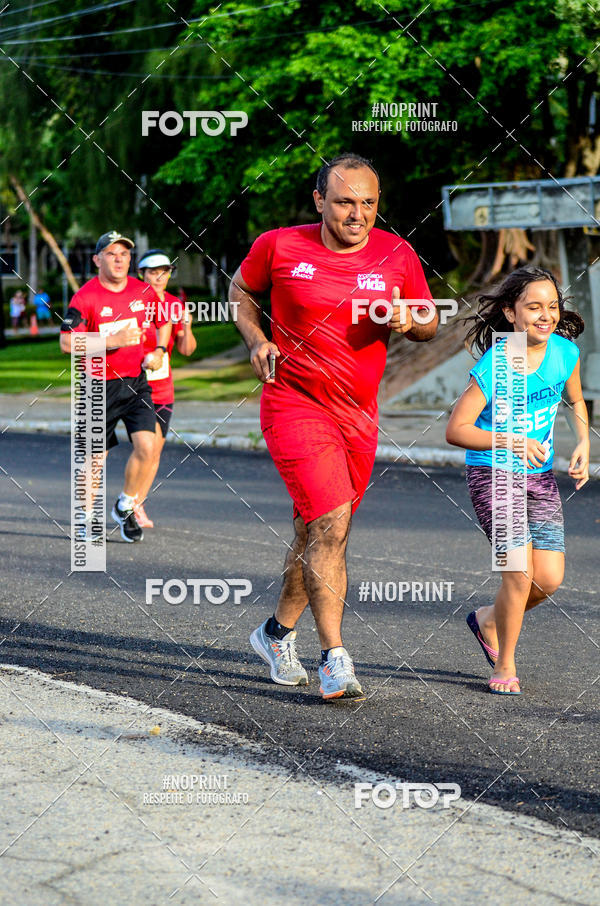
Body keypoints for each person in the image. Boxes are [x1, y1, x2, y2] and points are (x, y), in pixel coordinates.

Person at [229, 152, 439, 700]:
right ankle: (336, 659)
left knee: (314, 529)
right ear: (319, 200)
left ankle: (275, 635)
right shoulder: (278, 245)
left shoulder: (398, 251)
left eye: (368, 203)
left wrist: (409, 319)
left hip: (359, 415)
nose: (358, 214)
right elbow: (242, 293)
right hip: (293, 402)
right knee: (332, 523)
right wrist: (257, 340)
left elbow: (429, 318)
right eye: (345, 201)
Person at [446, 266, 589, 695]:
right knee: (519, 573)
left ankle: (489, 620)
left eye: (552, 306)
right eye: (533, 307)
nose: (545, 315)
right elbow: (456, 429)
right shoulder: (500, 363)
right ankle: (504, 662)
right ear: (511, 313)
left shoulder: (565, 353)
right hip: (495, 474)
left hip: (539, 476)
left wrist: (583, 442)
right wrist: (510, 440)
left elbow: (577, 400)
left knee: (548, 578)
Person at [59, 230, 172, 542]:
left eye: (124, 253)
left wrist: (160, 351)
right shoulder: (86, 297)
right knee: (95, 459)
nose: (119, 259)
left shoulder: (143, 291)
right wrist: (113, 341)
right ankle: (84, 519)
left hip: (136, 383)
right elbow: (66, 342)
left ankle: (125, 505)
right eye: (111, 253)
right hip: (97, 387)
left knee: (149, 448)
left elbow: (164, 322)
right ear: (97, 260)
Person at [134, 249, 197, 528]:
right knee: (146, 448)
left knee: (156, 450)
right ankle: (129, 502)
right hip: (134, 384)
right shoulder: (133, 303)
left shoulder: (175, 305)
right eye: (152, 272)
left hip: (163, 387)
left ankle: (137, 502)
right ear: (141, 275)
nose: (159, 277)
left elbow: (186, 350)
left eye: (164, 271)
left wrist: (188, 327)